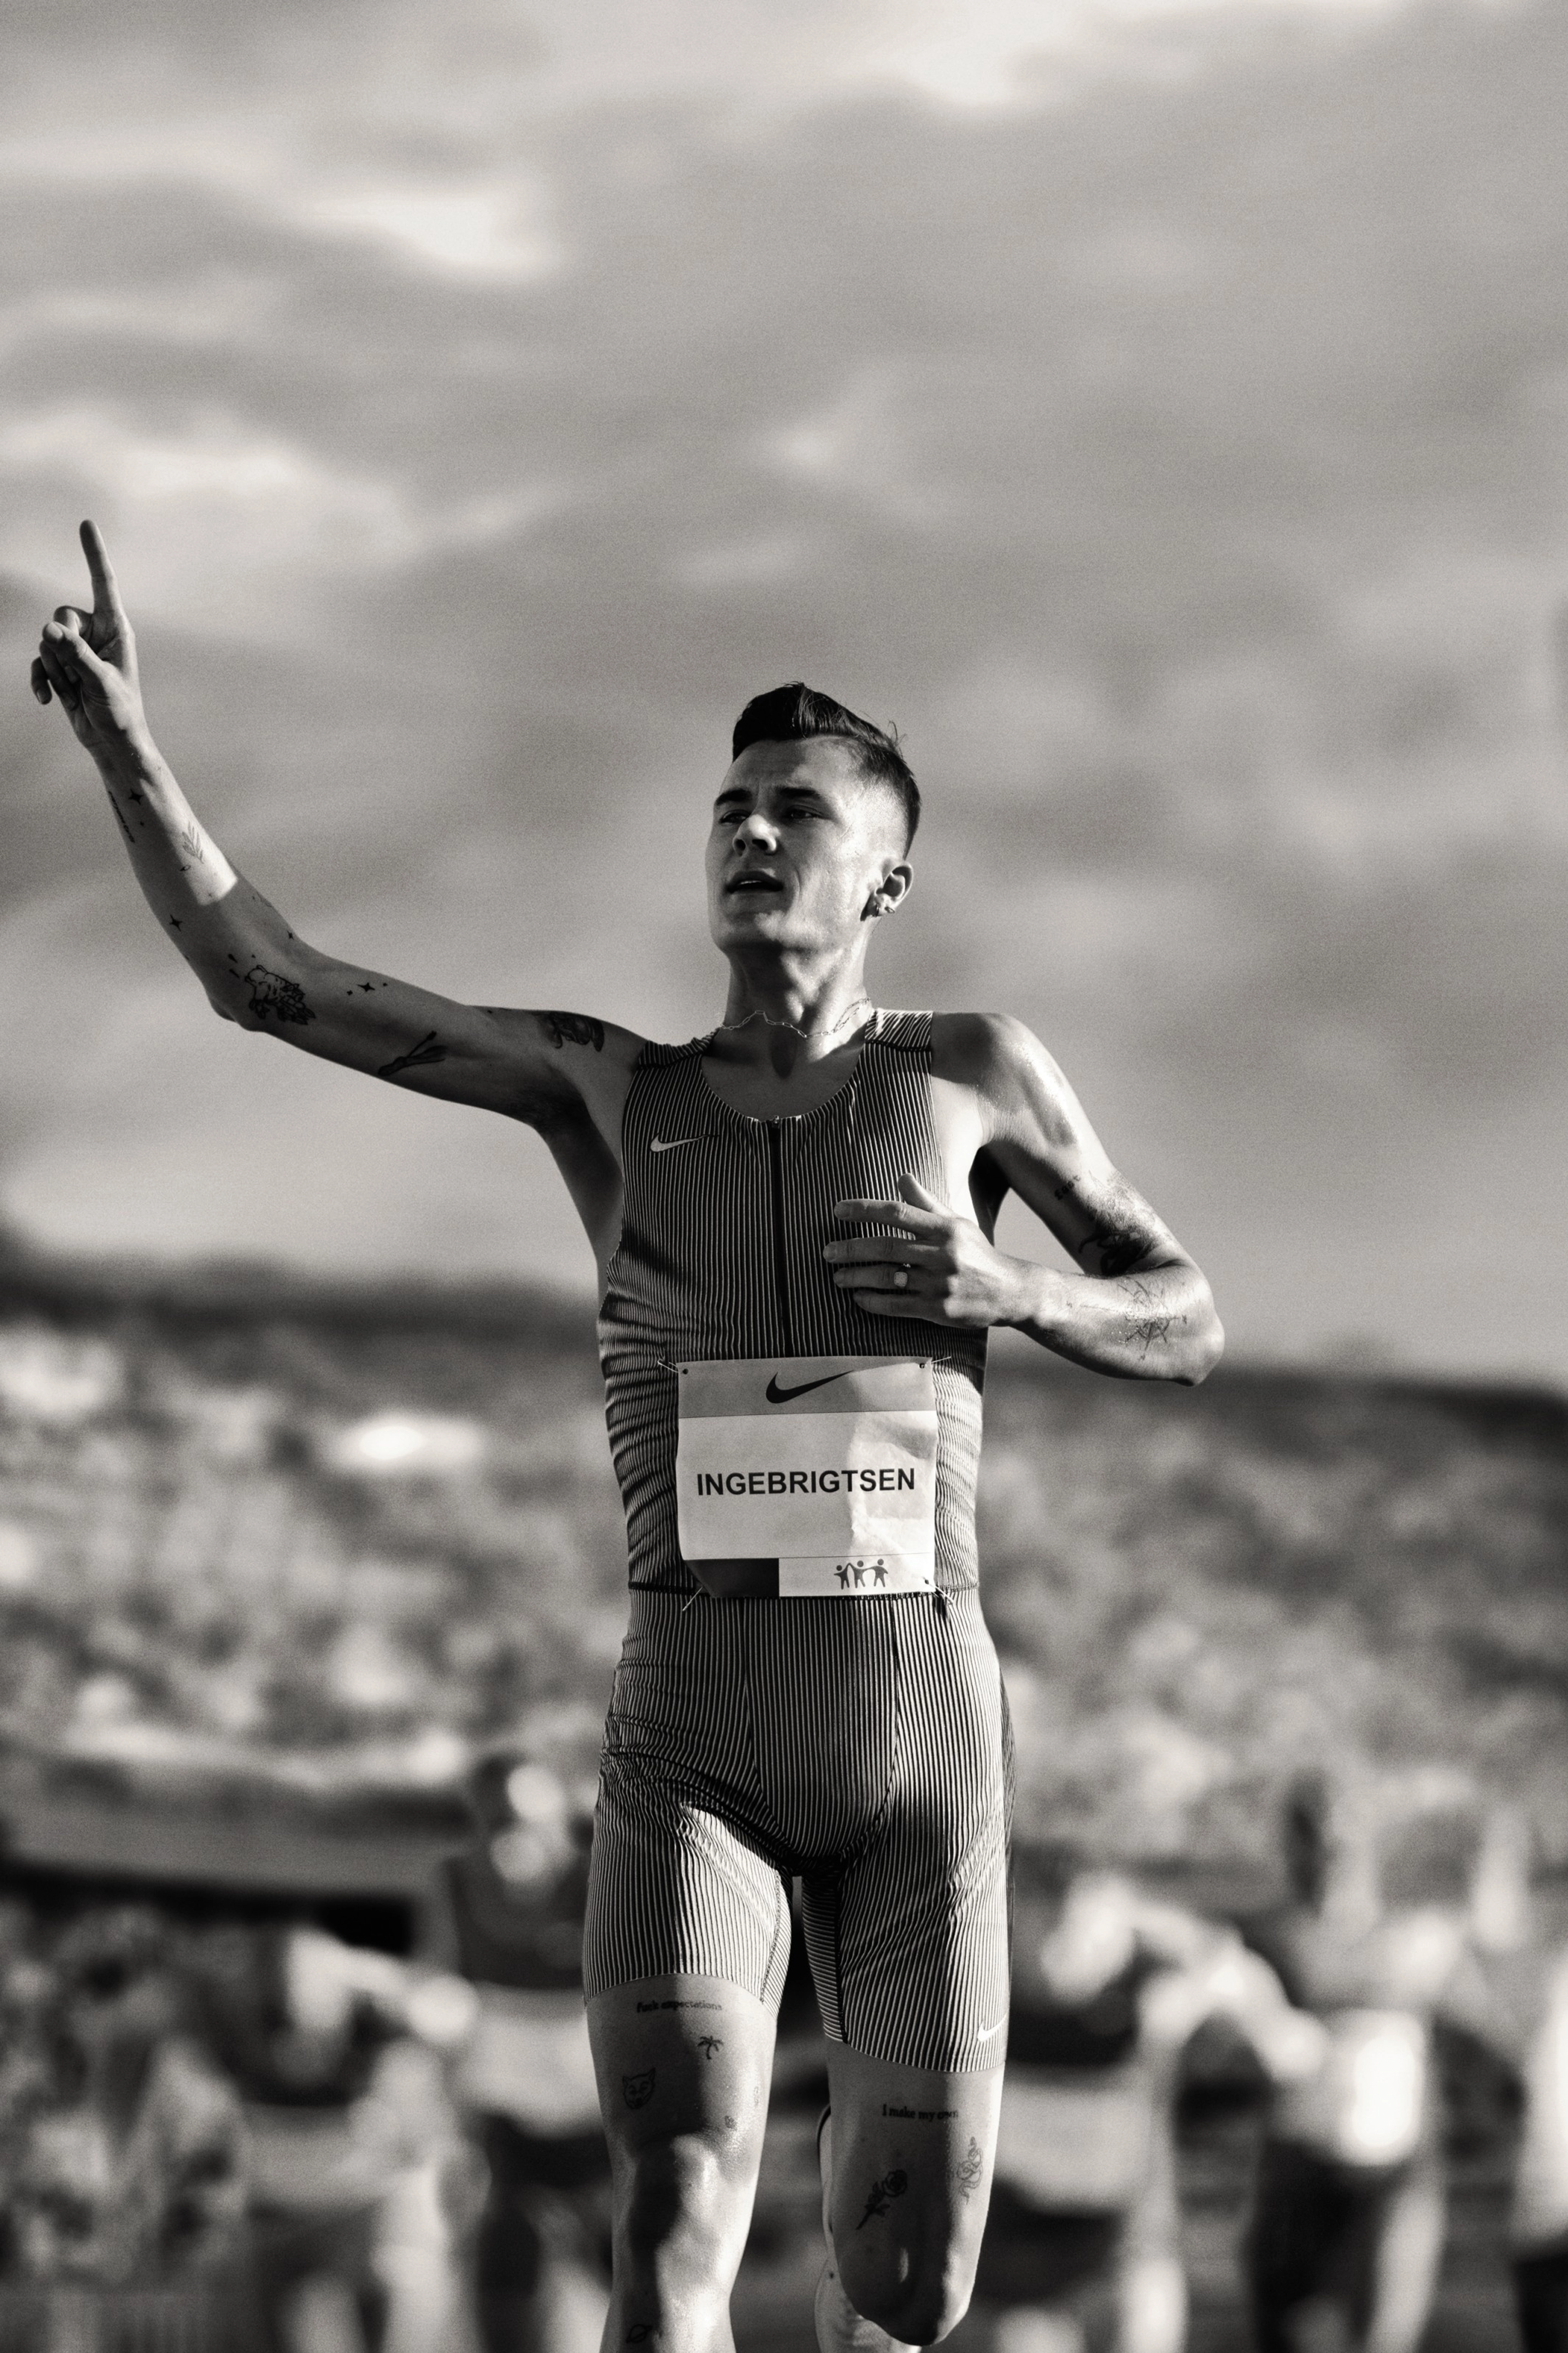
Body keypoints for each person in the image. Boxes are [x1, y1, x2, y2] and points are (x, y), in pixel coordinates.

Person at [31, 524, 1223, 2353]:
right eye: (731, 805)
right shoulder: (612, 1089)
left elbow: (1187, 1312)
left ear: (889, 871)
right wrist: (125, 747)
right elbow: (270, 979)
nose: (752, 831)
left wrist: (1010, 1294)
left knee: (906, 2282)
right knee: (669, 2211)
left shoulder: (974, 1070)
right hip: (691, 1737)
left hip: (920, 1738)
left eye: (801, 812)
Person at [976, 1865, 1323, 2353]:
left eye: (1081, 1932)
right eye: (1047, 1927)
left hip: (1129, 2240)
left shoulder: (1154, 1998)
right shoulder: (982, 1994)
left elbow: (1232, 1970)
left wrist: (1269, 2029)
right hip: (1023, 2244)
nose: (1060, 1953)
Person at [1242, 1771, 1481, 2353]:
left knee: (1382, 2335)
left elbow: (1488, 2039)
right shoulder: (1270, 1940)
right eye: (1315, 1835)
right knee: (1293, 2331)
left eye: (1344, 1837)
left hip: (1398, 2177)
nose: (1331, 1851)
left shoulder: (1423, 1941)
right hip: (1298, 2175)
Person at [423, 1745, 610, 2353]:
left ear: (559, 1810)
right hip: (506, 2131)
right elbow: (441, 1988)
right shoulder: (454, 1883)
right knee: (501, 2289)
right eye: (495, 1820)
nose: (511, 1836)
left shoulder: (603, 1878)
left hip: (606, 2131)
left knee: (646, 2285)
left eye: (524, 1817)